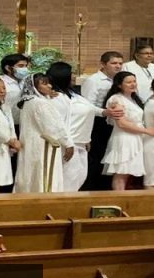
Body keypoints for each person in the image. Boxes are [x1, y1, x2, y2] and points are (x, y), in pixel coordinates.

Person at [49, 62, 121, 192]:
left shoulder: (74, 94)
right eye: (71, 74)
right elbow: (59, 124)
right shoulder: (55, 98)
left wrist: (105, 112)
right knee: (68, 180)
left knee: (79, 177)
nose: (73, 76)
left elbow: (89, 108)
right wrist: (68, 143)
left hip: (81, 141)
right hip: (68, 144)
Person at [102, 71, 154, 190]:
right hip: (124, 138)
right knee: (122, 172)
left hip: (136, 137)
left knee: (129, 171)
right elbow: (122, 123)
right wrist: (147, 131)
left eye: (134, 81)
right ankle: (119, 199)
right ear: (119, 85)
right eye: (128, 82)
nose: (133, 84)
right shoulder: (116, 99)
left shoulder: (134, 99)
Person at [14, 74, 72, 193]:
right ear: (35, 87)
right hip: (44, 146)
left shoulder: (28, 102)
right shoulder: (39, 103)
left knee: (31, 176)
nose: (50, 86)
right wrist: (68, 143)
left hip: (31, 145)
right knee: (44, 176)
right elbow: (52, 127)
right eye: (44, 83)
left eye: (49, 82)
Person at [82, 51, 125, 191]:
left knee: (111, 157)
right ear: (103, 64)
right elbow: (87, 106)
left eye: (120, 63)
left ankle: (107, 188)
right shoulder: (94, 81)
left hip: (113, 122)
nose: (117, 66)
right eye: (114, 63)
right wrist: (104, 112)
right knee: (98, 157)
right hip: (98, 122)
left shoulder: (119, 80)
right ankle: (93, 190)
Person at [0, 53, 30, 193]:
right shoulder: (1, 82)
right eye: (21, 66)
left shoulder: (25, 82)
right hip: (5, 127)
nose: (25, 69)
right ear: (8, 68)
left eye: (26, 66)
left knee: (19, 162)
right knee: (7, 163)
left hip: (22, 126)